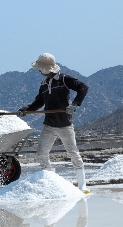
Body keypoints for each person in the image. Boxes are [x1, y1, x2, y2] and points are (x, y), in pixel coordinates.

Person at [17, 53, 90, 194]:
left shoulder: (64, 79)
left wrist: (75, 104)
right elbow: (38, 102)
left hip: (64, 124)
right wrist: (24, 110)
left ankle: (82, 186)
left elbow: (83, 87)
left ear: (47, 68)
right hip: (49, 125)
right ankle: (52, 181)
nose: (39, 71)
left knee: (73, 153)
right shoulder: (44, 84)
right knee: (41, 152)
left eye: (40, 68)